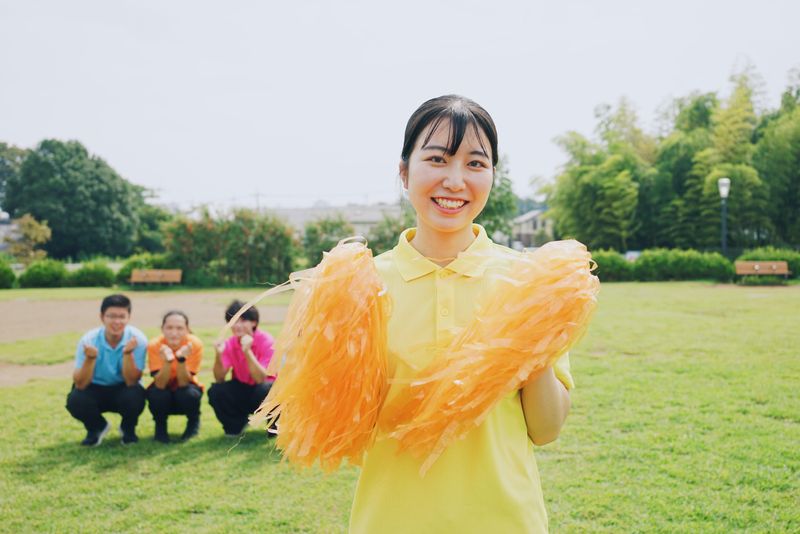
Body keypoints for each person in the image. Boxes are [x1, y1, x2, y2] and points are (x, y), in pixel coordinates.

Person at [347, 95, 576, 533]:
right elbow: (345, 427)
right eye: (437, 159)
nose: (455, 181)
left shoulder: (531, 280)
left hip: (505, 521)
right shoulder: (362, 284)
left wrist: (535, 338)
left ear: (492, 176)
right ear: (404, 172)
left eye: (475, 163)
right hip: (392, 521)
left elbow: (546, 429)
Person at [66, 294, 148, 446]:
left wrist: (128, 354)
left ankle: (128, 428)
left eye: (122, 317)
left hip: (123, 387)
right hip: (95, 387)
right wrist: (90, 358)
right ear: (102, 317)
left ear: (129, 318)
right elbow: (80, 384)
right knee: (76, 399)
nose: (117, 322)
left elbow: (131, 381)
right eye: (111, 316)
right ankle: (96, 427)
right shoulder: (88, 340)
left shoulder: (138, 340)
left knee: (135, 395)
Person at [208, 300, 276, 437]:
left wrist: (247, 351)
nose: (237, 325)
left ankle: (273, 425)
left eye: (243, 320)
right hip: (244, 388)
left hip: (267, 392)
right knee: (216, 390)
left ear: (254, 323)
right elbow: (219, 378)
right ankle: (235, 425)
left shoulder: (266, 341)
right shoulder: (230, 343)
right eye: (233, 321)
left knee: (265, 389)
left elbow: (260, 379)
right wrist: (218, 355)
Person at [145, 310, 204, 443]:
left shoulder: (194, 344)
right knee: (157, 394)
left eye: (179, 328)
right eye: (169, 328)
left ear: (187, 330)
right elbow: (160, 384)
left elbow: (184, 383)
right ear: (162, 329)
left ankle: (193, 423)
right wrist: (168, 361)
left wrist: (181, 359)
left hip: (184, 389)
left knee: (188, 394)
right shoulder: (155, 345)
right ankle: (160, 427)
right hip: (164, 389)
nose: (174, 333)